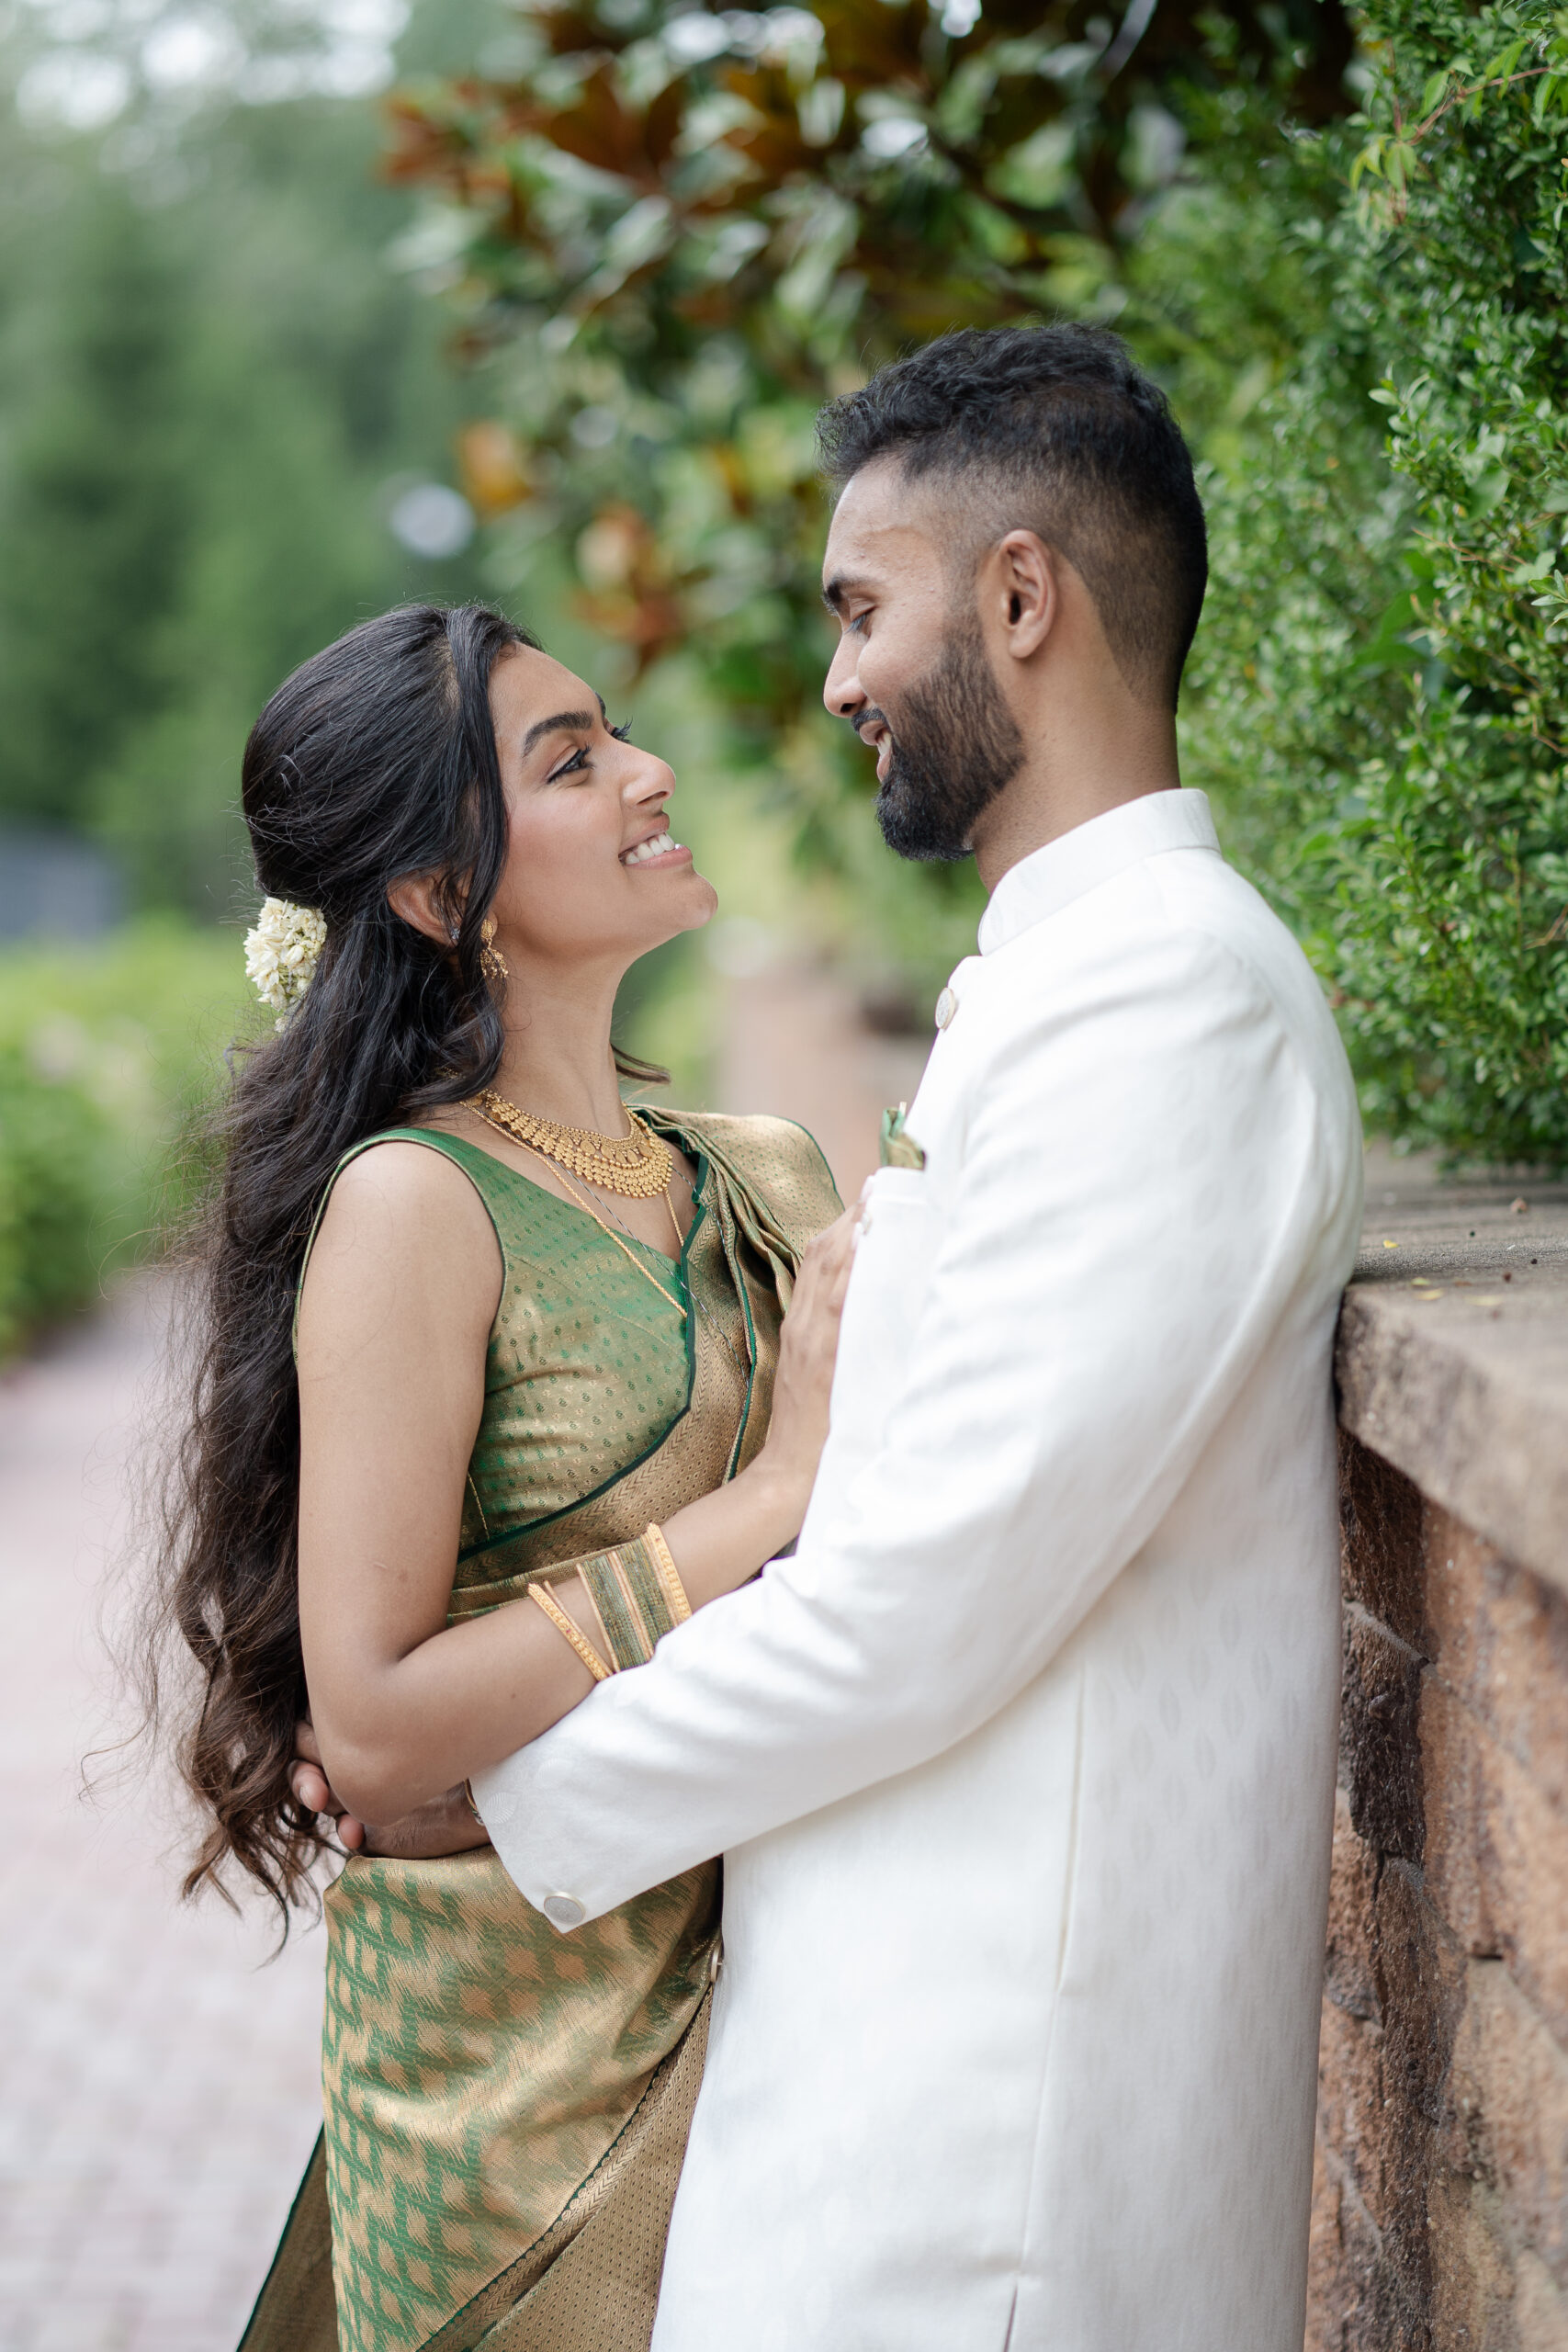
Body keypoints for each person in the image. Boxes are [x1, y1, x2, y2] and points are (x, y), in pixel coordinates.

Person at [402, 325, 1366, 2348]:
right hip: (887, 2065)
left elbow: (928, 1593)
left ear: (1018, 598)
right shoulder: (1058, 977)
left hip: (995, 2144)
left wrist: (503, 1795)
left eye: (862, 609)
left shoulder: (1168, 1001)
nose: (838, 679)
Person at [152, 600, 852, 2352]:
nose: (650, 772)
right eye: (573, 761)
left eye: (614, 734)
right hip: (514, 2090)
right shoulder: (419, 1206)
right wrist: (764, 1505)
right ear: (437, 891)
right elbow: (378, 1731)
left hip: (805, 1990)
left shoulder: (767, 1176)